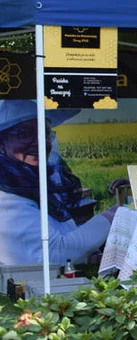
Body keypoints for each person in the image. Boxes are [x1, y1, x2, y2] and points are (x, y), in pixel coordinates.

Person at [0, 100, 113, 266]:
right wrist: (111, 217)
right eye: (25, 134)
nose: (40, 142)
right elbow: (54, 254)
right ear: (2, 143)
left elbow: (57, 234)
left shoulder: (26, 180)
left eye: (45, 134)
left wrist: (88, 257)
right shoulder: (6, 198)